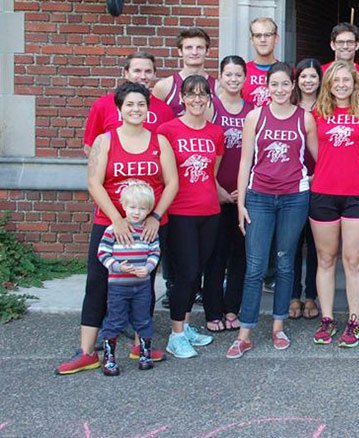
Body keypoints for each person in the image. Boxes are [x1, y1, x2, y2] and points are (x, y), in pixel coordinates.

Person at [57, 83, 178, 375]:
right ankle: (87, 352)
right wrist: (117, 219)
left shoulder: (159, 141)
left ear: (148, 108)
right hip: (110, 224)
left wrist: (155, 216)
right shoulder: (105, 140)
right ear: (119, 108)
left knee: (144, 282)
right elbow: (94, 183)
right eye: (130, 104)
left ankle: (140, 344)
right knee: (98, 283)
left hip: (147, 227)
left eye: (141, 104)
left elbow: (172, 182)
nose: (136, 109)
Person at [226, 63, 317, 359]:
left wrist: (310, 180)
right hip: (259, 197)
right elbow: (245, 162)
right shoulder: (255, 116)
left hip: (294, 198)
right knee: (255, 267)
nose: (280, 90)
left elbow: (321, 158)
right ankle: (245, 333)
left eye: (284, 84)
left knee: (285, 263)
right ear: (267, 87)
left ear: (293, 86)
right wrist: (241, 204)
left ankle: (279, 326)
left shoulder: (304, 118)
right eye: (274, 84)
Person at [308, 61, 359, 348]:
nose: (341, 85)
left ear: (355, 83)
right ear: (328, 84)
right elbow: (316, 151)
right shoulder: (317, 112)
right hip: (323, 192)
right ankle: (327, 319)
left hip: (357, 193)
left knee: (354, 260)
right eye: (335, 80)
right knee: (326, 259)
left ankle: (353, 320)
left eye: (346, 80)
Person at [158, 75, 225, 358]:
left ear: (209, 98)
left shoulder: (216, 133)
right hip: (179, 212)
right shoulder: (167, 130)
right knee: (184, 273)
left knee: (196, 272)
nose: (197, 99)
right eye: (191, 94)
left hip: (209, 210)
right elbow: (164, 175)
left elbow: (212, 173)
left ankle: (185, 327)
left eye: (202, 94)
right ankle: (175, 335)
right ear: (182, 98)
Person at [203, 56, 253, 332]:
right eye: (229, 75)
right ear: (220, 77)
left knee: (239, 256)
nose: (233, 80)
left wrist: (243, 191)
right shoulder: (211, 107)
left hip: (244, 195)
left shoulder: (252, 110)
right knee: (215, 255)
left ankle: (232, 308)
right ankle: (213, 311)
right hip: (215, 193)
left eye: (238, 75)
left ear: (245, 78)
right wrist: (217, 188)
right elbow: (202, 147)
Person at [96, 181, 162, 375]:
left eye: (142, 209)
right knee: (115, 320)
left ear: (149, 210)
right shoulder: (113, 230)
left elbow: (155, 252)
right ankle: (109, 358)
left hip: (141, 286)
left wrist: (148, 268)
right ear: (123, 206)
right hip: (118, 285)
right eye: (132, 207)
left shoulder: (149, 231)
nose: (136, 212)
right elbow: (102, 253)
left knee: (143, 319)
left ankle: (145, 354)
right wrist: (118, 267)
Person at [83, 52, 175, 155]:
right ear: (126, 73)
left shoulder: (165, 110)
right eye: (137, 71)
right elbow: (90, 147)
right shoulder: (103, 105)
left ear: (154, 74)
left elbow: (169, 149)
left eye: (148, 71)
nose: (143, 76)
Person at [289, 58, 323, 321]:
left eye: (313, 76)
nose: (308, 81)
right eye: (303, 76)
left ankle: (311, 294)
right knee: (292, 242)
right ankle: (293, 295)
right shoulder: (288, 107)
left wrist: (317, 175)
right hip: (292, 183)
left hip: (321, 180)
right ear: (296, 80)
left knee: (315, 244)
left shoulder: (327, 107)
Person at [152, 28, 217, 116]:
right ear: (180, 51)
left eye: (199, 48)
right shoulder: (164, 87)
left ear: (207, 51)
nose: (194, 52)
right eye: (189, 48)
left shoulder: (218, 88)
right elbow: (154, 119)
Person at [322, 23, 359, 93]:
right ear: (332, 45)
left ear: (357, 45)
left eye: (350, 42)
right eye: (340, 42)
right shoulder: (321, 72)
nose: (345, 46)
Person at [243, 17, 280, 108]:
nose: (263, 39)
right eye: (258, 35)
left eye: (267, 35)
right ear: (252, 40)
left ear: (276, 38)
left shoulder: (287, 72)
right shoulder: (242, 72)